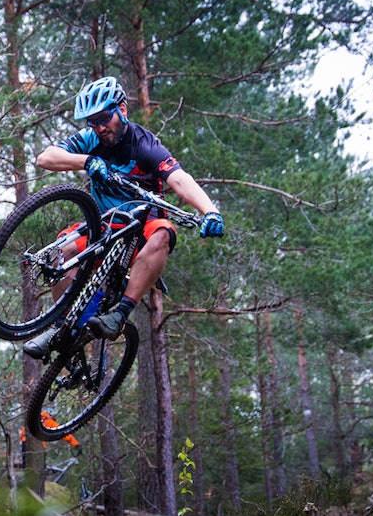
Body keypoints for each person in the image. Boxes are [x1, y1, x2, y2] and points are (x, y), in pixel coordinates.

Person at [23, 76, 224, 359]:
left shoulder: (144, 145)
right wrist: (87, 160)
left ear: (123, 110)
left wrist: (210, 210)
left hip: (141, 230)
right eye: (92, 122)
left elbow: (179, 179)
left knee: (164, 232)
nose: (100, 127)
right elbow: (45, 158)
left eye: (105, 118)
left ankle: (120, 314)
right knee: (59, 252)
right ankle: (62, 326)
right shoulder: (91, 139)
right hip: (104, 226)